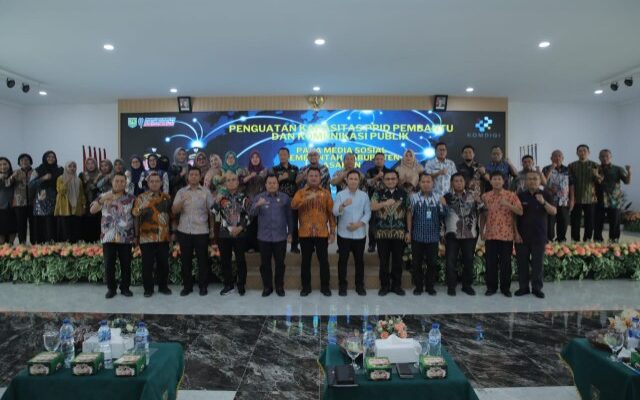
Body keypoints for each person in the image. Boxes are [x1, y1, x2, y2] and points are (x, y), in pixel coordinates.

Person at [89, 172, 135, 299]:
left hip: (125, 236)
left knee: (126, 263)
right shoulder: (104, 196)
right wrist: (103, 199)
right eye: (117, 181)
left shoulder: (131, 198)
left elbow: (135, 215)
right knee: (109, 264)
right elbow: (92, 210)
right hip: (108, 236)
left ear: (125, 183)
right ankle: (111, 289)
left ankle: (125, 288)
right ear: (112, 182)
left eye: (122, 181)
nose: (119, 183)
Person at [291, 167, 336, 296]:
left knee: (324, 261)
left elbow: (331, 213)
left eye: (316, 176)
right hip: (305, 233)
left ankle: (325, 287)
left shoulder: (326, 193)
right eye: (311, 176)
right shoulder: (300, 192)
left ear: (320, 178)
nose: (314, 178)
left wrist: (332, 231)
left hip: (322, 233)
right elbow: (293, 205)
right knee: (305, 262)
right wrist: (306, 198)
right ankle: (306, 287)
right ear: (307, 177)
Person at [172, 166, 215, 296]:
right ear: (188, 177)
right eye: (191, 175)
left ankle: (203, 286)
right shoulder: (181, 192)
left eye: (196, 174)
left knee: (203, 260)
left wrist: (212, 229)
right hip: (184, 231)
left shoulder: (206, 192)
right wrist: (182, 201)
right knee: (186, 260)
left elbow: (211, 212)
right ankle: (187, 286)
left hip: (201, 231)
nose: (194, 177)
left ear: (200, 177)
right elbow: (174, 211)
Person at [250, 174, 294, 297]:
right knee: (265, 264)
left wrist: (290, 233)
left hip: (280, 237)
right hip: (264, 237)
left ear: (278, 184)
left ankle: (279, 286)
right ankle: (267, 287)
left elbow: (289, 217)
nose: (272, 185)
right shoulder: (259, 197)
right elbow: (252, 213)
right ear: (265, 185)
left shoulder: (285, 198)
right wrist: (258, 205)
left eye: (274, 183)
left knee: (280, 264)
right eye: (269, 183)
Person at [481, 171, 523, 297]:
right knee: (491, 263)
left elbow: (520, 212)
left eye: (499, 179)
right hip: (491, 234)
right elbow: (483, 215)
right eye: (494, 179)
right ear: (490, 181)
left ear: (503, 181)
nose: (497, 181)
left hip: (506, 235)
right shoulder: (485, 196)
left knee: (506, 264)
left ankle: (505, 288)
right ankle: (491, 287)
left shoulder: (511, 195)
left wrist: (508, 204)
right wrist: (482, 231)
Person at [515, 171, 556, 299]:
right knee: (522, 263)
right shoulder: (520, 196)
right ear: (525, 181)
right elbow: (514, 216)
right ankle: (523, 288)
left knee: (538, 264)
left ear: (539, 181)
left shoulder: (546, 194)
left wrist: (543, 202)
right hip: (522, 236)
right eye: (529, 179)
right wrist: (516, 233)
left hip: (539, 236)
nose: (532, 181)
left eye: (535, 179)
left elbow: (553, 211)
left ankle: (537, 288)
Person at [132, 172, 173, 297]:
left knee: (163, 264)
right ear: (148, 183)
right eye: (152, 181)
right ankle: (148, 289)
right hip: (146, 237)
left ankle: (163, 287)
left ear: (161, 183)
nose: (154, 183)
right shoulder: (141, 197)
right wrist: (141, 208)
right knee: (147, 265)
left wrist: (173, 232)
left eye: (157, 181)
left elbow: (172, 216)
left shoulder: (167, 197)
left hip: (163, 236)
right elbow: (135, 214)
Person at [371, 170, 411, 296]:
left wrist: (408, 231)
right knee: (383, 262)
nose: (390, 181)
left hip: (399, 233)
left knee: (397, 261)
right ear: (384, 180)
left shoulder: (403, 194)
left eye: (393, 179)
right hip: (382, 233)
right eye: (387, 179)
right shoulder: (378, 193)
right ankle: (384, 286)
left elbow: (408, 212)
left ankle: (396, 286)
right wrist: (384, 203)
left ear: (397, 180)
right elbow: (372, 206)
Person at [406, 173, 447, 296]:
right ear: (419, 183)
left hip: (433, 237)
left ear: (432, 183)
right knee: (416, 263)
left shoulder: (438, 197)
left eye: (428, 182)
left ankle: (430, 287)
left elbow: (444, 215)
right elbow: (409, 215)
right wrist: (409, 232)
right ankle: (418, 287)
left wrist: (443, 205)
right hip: (417, 236)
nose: (426, 184)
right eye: (423, 182)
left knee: (432, 263)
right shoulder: (413, 197)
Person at [443, 173, 483, 296]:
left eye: (461, 180)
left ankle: (467, 286)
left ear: (464, 183)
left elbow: (482, 210)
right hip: (452, 234)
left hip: (469, 234)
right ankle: (451, 286)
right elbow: (441, 214)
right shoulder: (447, 197)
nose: (459, 183)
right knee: (451, 261)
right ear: (452, 183)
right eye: (456, 181)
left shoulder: (472, 195)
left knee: (468, 261)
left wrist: (479, 201)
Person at [333, 170, 371, 296]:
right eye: (351, 179)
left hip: (359, 234)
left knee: (359, 261)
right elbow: (335, 212)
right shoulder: (340, 195)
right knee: (342, 261)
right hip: (344, 234)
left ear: (359, 181)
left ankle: (359, 286)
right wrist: (343, 205)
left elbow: (368, 213)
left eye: (356, 179)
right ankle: (342, 286)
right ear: (346, 180)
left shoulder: (364, 195)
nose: (353, 181)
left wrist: (358, 224)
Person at [212, 173, 251, 296]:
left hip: (240, 234)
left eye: (233, 180)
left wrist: (240, 227)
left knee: (240, 260)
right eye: (228, 180)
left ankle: (241, 285)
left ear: (238, 182)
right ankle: (228, 285)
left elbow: (250, 215)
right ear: (225, 183)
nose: (231, 182)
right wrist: (216, 201)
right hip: (224, 234)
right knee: (225, 261)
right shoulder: (222, 198)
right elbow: (213, 211)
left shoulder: (244, 197)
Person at [594, 149, 631, 243]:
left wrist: (629, 172)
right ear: (599, 158)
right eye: (602, 156)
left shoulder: (618, 169)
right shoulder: (596, 168)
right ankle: (597, 241)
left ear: (610, 157)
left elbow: (627, 182)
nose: (604, 158)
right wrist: (596, 175)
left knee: (615, 222)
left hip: (614, 201)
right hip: (599, 199)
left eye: (607, 156)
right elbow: (594, 182)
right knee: (598, 222)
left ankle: (613, 241)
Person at [270, 147, 300, 253]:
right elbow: (272, 183)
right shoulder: (274, 169)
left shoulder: (295, 168)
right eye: (280, 155)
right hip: (279, 200)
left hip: (293, 199)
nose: (282, 156)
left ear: (288, 156)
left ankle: (294, 246)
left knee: (294, 223)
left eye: (284, 154)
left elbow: (296, 181)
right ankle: (280, 245)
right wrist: (281, 178)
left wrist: (286, 177)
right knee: (279, 223)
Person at [29, 151, 63, 243]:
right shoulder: (37, 170)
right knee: (42, 224)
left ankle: (53, 245)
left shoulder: (59, 169)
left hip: (55, 200)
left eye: (53, 157)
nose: (51, 158)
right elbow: (31, 185)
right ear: (44, 158)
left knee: (53, 224)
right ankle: (42, 247)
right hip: (41, 200)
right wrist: (42, 178)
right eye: (48, 156)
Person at [568, 144, 599, 242]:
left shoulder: (595, 165)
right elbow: (569, 182)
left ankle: (587, 240)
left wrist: (597, 176)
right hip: (576, 198)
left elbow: (600, 181)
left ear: (588, 152)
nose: (582, 152)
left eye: (584, 150)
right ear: (577, 153)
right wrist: (571, 198)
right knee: (575, 222)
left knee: (589, 222)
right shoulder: (571, 166)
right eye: (580, 151)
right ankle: (575, 241)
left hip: (590, 198)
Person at [365, 152, 391, 253]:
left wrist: (384, 178)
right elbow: (367, 184)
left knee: (385, 223)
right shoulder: (370, 171)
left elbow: (392, 184)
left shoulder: (389, 171)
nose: (379, 161)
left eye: (381, 159)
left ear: (384, 160)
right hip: (373, 201)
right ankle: (372, 244)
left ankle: (385, 244)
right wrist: (377, 177)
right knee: (372, 224)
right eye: (377, 159)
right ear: (374, 160)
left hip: (386, 201)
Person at [54, 161, 86, 243]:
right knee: (65, 229)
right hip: (65, 207)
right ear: (66, 168)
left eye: (74, 166)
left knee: (76, 228)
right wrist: (66, 181)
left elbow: (82, 193)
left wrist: (84, 205)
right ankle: (65, 246)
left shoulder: (78, 180)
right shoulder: (60, 178)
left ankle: (76, 246)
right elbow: (60, 191)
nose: (72, 168)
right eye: (70, 166)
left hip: (76, 207)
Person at [542, 150, 570, 242]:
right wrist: (551, 169)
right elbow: (543, 182)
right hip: (550, 201)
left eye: (559, 156)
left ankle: (561, 241)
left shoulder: (567, 169)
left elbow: (571, 185)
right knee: (549, 224)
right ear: (551, 158)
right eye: (555, 156)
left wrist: (572, 199)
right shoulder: (546, 168)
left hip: (563, 201)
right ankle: (549, 241)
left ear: (562, 158)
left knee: (563, 223)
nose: (557, 158)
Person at [243, 151, 267, 253]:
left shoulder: (265, 170)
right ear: (250, 159)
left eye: (257, 157)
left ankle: (260, 246)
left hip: (261, 200)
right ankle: (250, 246)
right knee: (250, 224)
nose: (255, 159)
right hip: (249, 201)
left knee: (260, 224)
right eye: (253, 157)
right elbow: (241, 182)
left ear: (260, 159)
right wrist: (250, 176)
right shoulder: (246, 170)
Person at [10, 153, 35, 244]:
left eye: (27, 160)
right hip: (19, 203)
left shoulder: (35, 172)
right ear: (19, 163)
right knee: (21, 225)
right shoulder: (15, 172)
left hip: (33, 203)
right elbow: (7, 184)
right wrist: (12, 177)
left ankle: (34, 243)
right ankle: (22, 244)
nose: (24, 161)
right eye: (22, 160)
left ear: (30, 162)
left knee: (34, 225)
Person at [80, 157, 102, 242]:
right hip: (86, 202)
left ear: (96, 164)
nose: (90, 165)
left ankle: (98, 243)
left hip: (98, 202)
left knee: (98, 222)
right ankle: (88, 243)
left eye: (92, 163)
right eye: (88, 164)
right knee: (87, 223)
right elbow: (80, 189)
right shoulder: (82, 175)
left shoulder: (100, 175)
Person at [0, 157, 17, 244]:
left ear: (9, 165)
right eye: (0, 165)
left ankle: (10, 247)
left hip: (13, 206)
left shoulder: (14, 175)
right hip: (1, 207)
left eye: (5, 164)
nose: (3, 166)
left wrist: (12, 177)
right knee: (1, 230)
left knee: (12, 228)